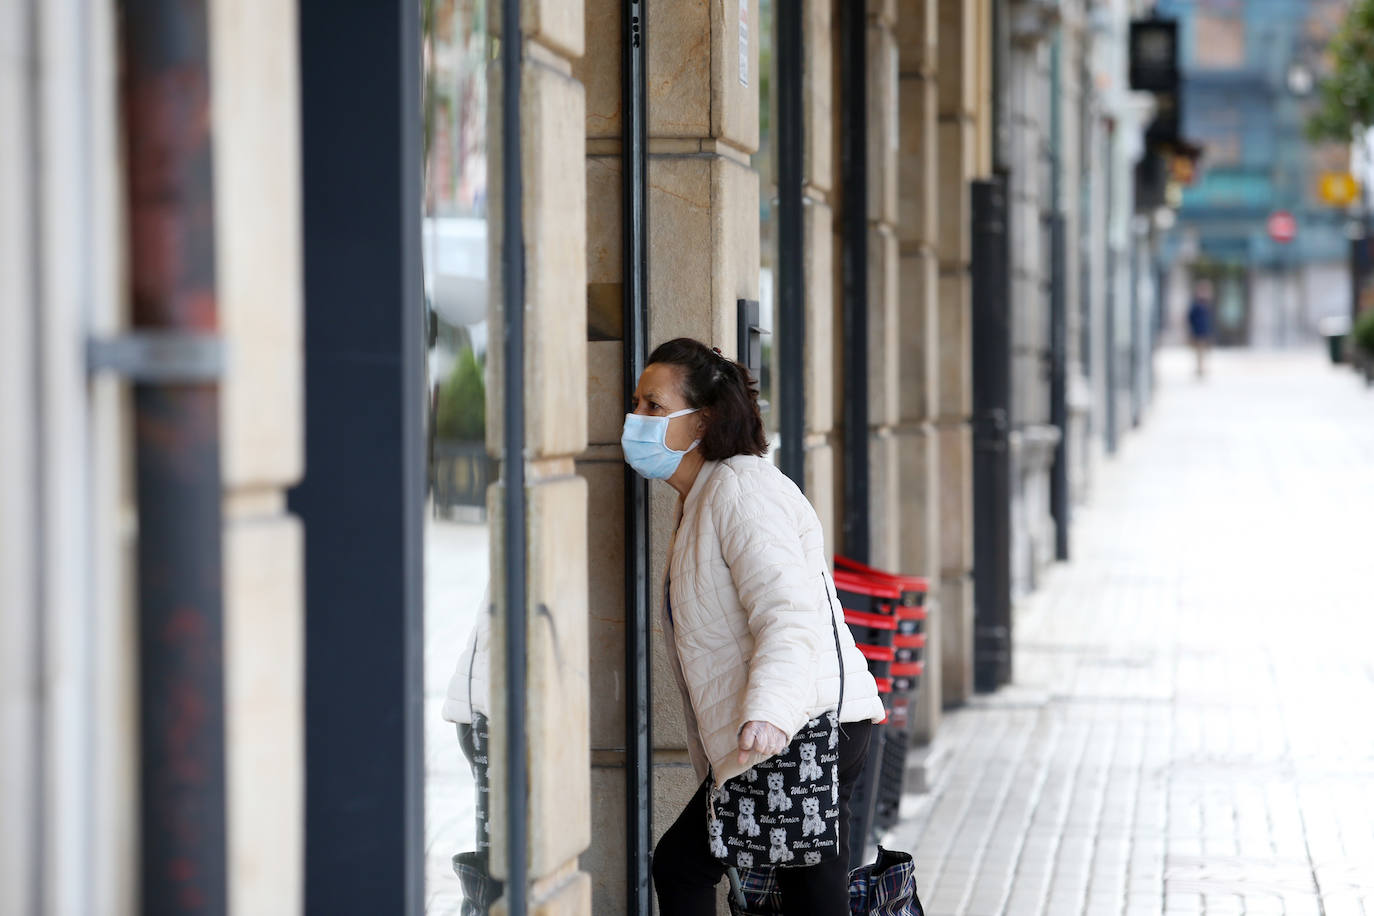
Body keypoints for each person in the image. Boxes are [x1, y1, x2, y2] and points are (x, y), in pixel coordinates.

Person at [627, 338, 886, 916]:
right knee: (796, 893)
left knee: (686, 865)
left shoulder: (741, 489)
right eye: (637, 403)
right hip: (788, 727)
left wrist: (768, 710)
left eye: (652, 405)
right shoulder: (704, 497)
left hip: (803, 727)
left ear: (705, 418)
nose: (635, 419)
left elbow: (790, 611)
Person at [1187, 282, 1215, 378]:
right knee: (1199, 351)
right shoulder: (1196, 305)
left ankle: (1201, 368)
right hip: (1198, 332)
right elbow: (1191, 318)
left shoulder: (1206, 305)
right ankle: (1200, 369)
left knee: (1203, 351)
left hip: (1204, 331)